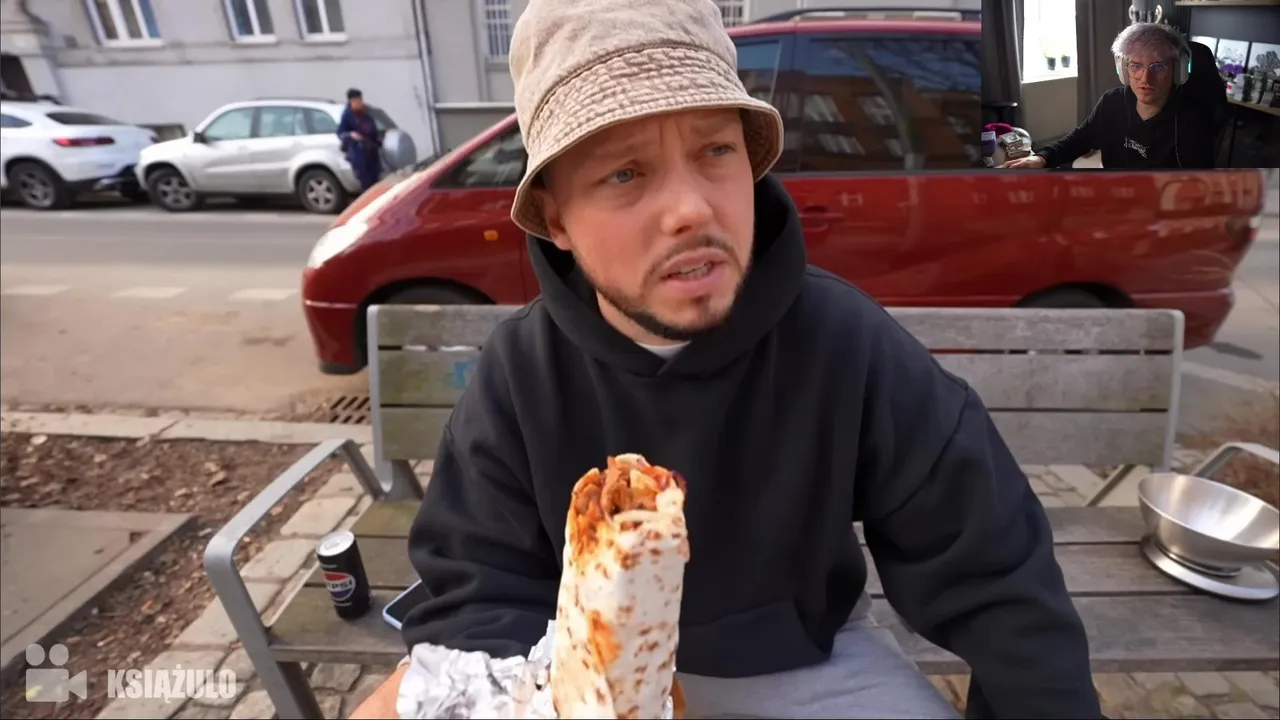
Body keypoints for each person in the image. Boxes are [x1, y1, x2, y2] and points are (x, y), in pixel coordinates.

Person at [353, 0, 1102, 717]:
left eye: (715, 151)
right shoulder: (521, 377)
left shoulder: (843, 345)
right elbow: (480, 594)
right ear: (556, 219)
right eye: (625, 173)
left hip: (808, 662)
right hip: (592, 669)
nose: (691, 209)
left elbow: (995, 574)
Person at [1004, 22, 1215, 170]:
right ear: (1123, 69)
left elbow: (1194, 188)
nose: (1145, 78)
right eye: (1136, 65)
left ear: (1178, 72)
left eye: (1158, 66)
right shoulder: (1111, 102)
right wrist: (1042, 158)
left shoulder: (1192, 121)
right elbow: (1079, 139)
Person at [337, 88, 382, 191]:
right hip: (358, 151)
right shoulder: (347, 115)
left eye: (360, 100)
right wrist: (351, 135)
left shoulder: (366, 111)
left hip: (371, 148)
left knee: (375, 176)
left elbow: (373, 127)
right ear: (351, 101)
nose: (359, 102)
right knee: (365, 179)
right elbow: (340, 133)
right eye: (356, 100)